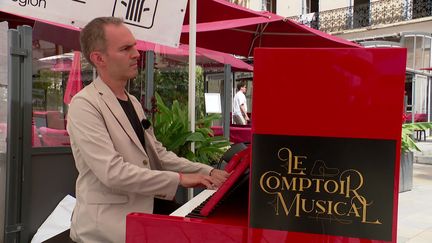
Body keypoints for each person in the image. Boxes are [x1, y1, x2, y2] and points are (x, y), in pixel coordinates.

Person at [67, 17, 229, 243]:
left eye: (134, 45)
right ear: (99, 58)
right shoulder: (84, 104)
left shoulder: (132, 101)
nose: (136, 53)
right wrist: (182, 179)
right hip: (107, 228)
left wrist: (207, 172)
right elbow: (113, 173)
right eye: (125, 48)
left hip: (144, 212)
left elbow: (158, 154)